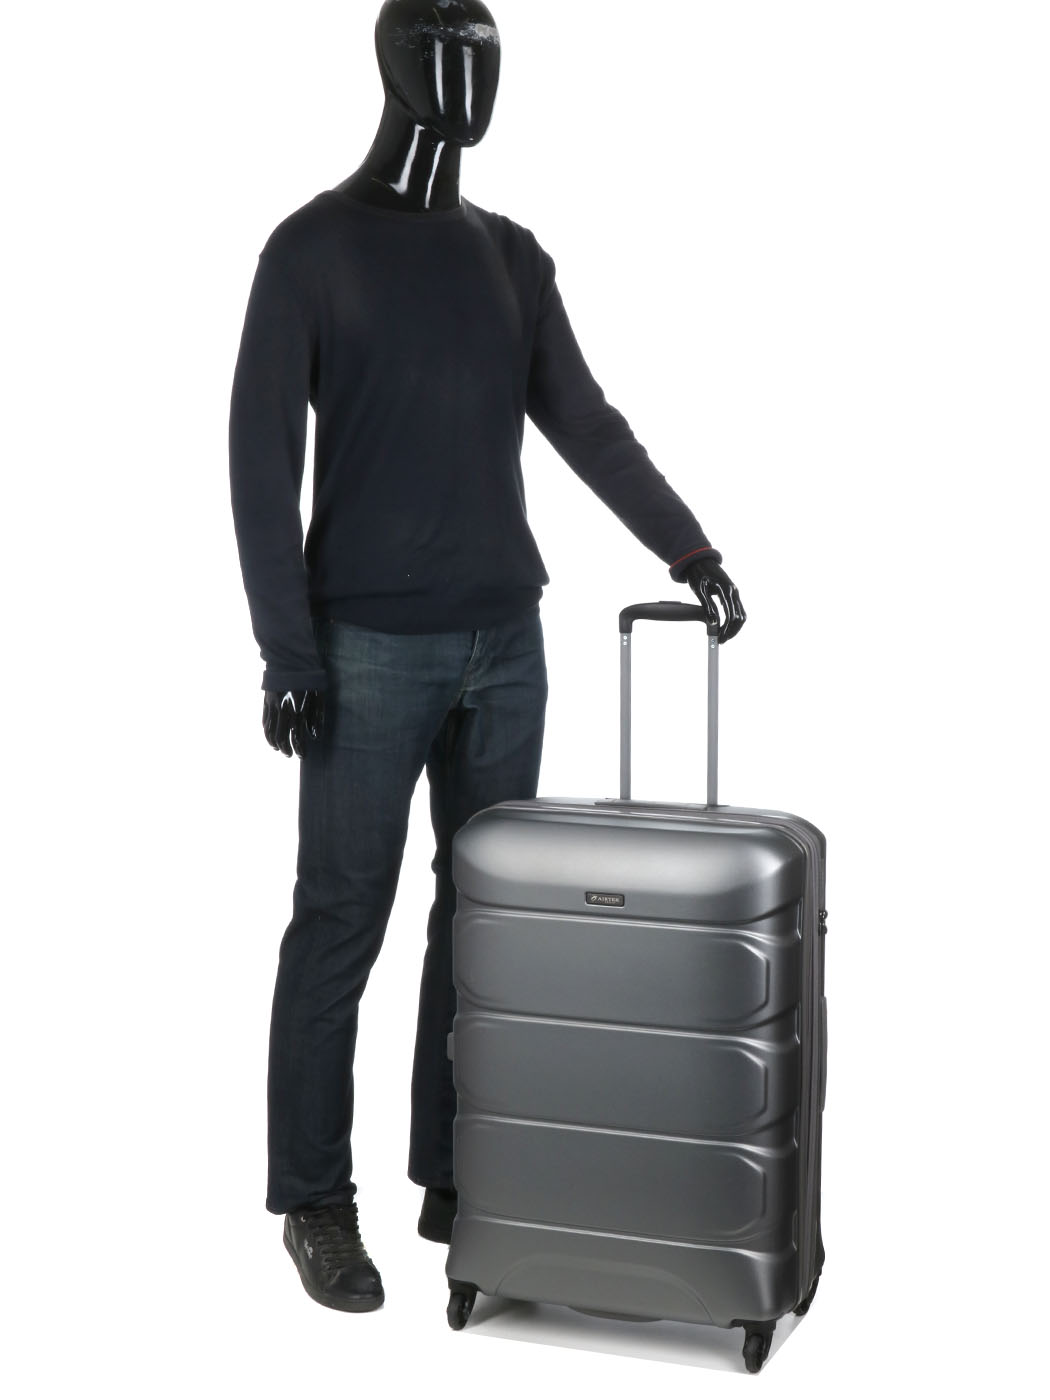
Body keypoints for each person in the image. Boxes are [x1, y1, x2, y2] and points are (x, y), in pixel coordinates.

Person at [228, 0, 745, 1315]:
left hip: (506, 645)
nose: (473, 76)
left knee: (486, 929)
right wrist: (286, 651)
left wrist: (688, 549)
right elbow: (258, 465)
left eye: (490, 53)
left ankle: (456, 1175)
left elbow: (586, 421)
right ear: (393, 64)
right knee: (339, 923)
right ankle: (313, 1201)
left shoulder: (511, 257)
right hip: (363, 650)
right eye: (447, 50)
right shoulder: (311, 249)